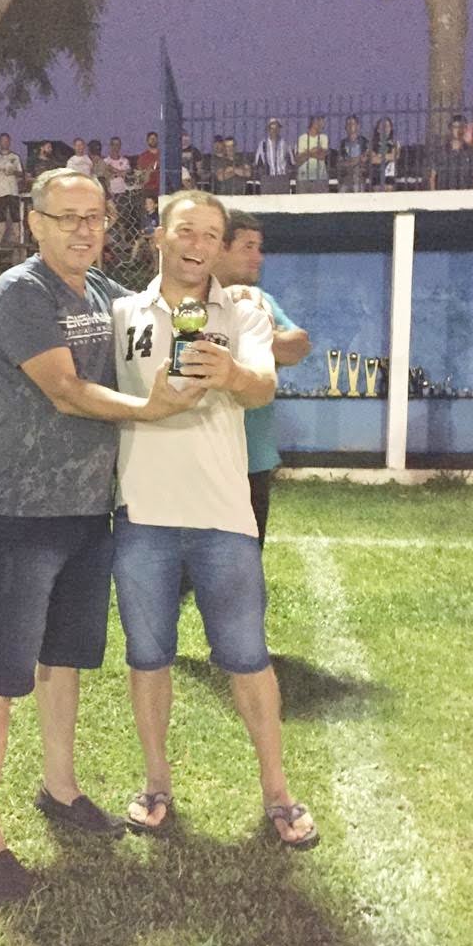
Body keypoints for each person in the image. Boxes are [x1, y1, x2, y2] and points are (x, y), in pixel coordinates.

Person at [0, 168, 203, 904]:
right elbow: (65, 390)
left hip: (89, 513)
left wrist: (231, 297)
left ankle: (60, 789)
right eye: (66, 217)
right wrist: (148, 410)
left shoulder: (100, 293)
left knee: (62, 660)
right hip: (25, 516)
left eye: (94, 216)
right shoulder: (21, 294)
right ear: (34, 223)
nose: (83, 229)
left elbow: (161, 311)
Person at [110, 189, 319, 848]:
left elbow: (264, 385)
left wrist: (229, 374)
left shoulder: (245, 311)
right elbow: (95, 377)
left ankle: (277, 791)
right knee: (148, 656)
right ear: (160, 237)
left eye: (210, 234)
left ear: (219, 246)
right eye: (186, 230)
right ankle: (156, 783)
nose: (197, 244)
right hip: (143, 516)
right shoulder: (125, 313)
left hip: (224, 516)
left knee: (247, 656)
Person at [214, 211, 312, 544]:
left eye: (259, 247)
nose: (258, 257)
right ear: (220, 247)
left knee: (247, 561)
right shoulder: (189, 300)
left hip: (252, 458)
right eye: (248, 246)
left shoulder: (261, 302)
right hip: (200, 457)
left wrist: (251, 333)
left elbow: (298, 346)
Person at [428, 115, 473, 190]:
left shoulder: (472, 152)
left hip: (465, 193)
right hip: (444, 194)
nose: (459, 130)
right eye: (455, 127)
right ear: (450, 129)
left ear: (466, 129)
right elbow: (432, 177)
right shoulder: (440, 152)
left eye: (462, 127)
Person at [0, 133, 24, 244]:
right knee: (0, 219)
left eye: (6, 140)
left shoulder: (15, 157)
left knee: (15, 218)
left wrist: (14, 172)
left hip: (13, 192)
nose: (5, 143)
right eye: (3, 141)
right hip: (0, 192)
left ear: (10, 142)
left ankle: (18, 242)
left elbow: (21, 173)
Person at [253, 118, 293, 192]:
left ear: (279, 129)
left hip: (282, 178)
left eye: (277, 128)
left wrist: (288, 172)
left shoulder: (285, 143)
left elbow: (291, 161)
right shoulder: (262, 144)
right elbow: (257, 162)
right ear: (268, 130)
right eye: (272, 128)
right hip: (267, 178)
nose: (274, 131)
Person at [294, 115, 329, 192]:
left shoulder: (323, 137)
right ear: (314, 122)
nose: (323, 125)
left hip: (320, 178)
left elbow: (322, 156)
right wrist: (314, 150)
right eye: (321, 122)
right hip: (303, 178)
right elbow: (299, 159)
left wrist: (307, 152)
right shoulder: (302, 138)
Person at [337, 115, 368, 193]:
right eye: (348, 124)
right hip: (346, 176)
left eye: (353, 123)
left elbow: (364, 159)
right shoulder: (342, 143)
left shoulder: (364, 142)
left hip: (359, 175)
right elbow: (340, 163)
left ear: (358, 126)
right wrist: (357, 160)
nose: (350, 126)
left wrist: (350, 161)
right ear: (345, 127)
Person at [368, 116, 400, 190]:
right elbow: (373, 160)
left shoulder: (395, 143)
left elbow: (395, 156)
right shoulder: (373, 144)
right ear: (378, 129)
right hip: (376, 174)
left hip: (389, 174)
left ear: (391, 128)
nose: (385, 129)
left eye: (388, 126)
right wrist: (387, 157)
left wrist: (380, 155)